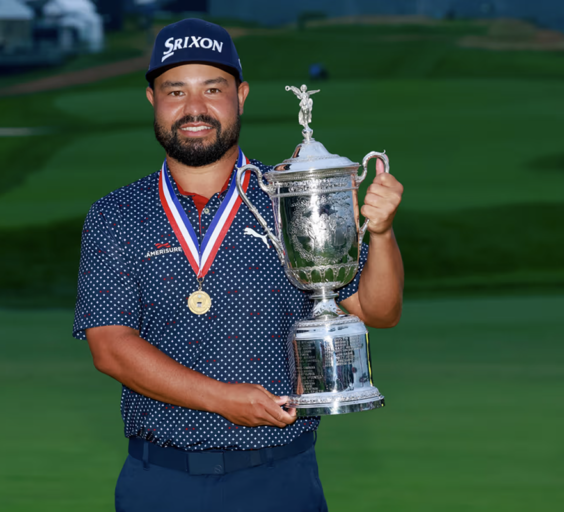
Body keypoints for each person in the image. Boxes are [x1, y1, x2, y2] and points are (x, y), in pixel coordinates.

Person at [72, 18, 404, 512]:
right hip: (160, 482)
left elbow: (377, 310)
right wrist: (223, 399)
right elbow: (111, 349)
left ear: (241, 95)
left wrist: (381, 231)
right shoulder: (116, 214)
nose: (195, 109)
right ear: (153, 101)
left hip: (280, 479)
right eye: (175, 91)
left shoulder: (291, 193)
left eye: (213, 88)